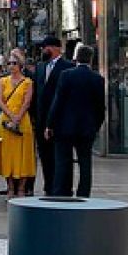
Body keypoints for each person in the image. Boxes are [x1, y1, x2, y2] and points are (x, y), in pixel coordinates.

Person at [47, 44, 106, 197]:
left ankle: (61, 192)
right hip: (86, 128)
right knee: (85, 163)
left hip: (65, 127)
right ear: (91, 59)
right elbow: (100, 107)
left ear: (76, 58)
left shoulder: (66, 75)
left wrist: (50, 124)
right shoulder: (98, 79)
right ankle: (83, 193)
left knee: (62, 161)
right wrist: (96, 126)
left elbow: (58, 101)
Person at [33, 36, 71, 197]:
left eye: (46, 47)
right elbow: (36, 93)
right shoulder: (40, 67)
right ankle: (49, 186)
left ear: (56, 48)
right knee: (45, 155)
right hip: (41, 120)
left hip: (59, 121)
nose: (43, 50)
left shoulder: (67, 67)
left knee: (61, 157)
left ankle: (62, 188)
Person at [0, 51, 36, 198]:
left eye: (14, 63)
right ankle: (10, 187)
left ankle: (22, 188)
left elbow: (27, 102)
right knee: (7, 155)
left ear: (20, 65)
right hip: (5, 121)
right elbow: (0, 100)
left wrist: (18, 117)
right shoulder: (3, 81)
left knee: (23, 155)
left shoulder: (27, 82)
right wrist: (11, 115)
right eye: (9, 63)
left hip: (22, 121)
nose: (11, 66)